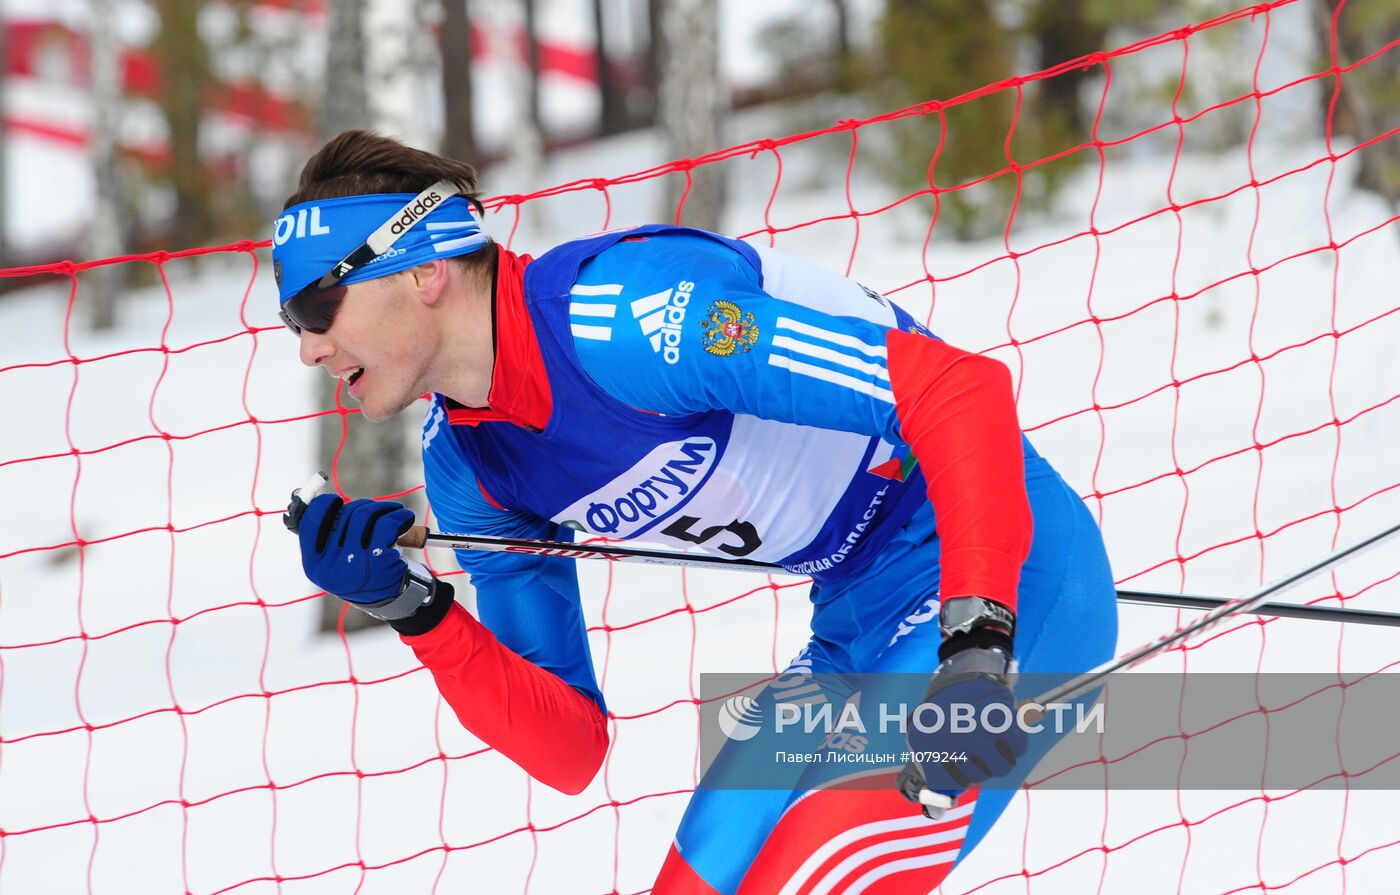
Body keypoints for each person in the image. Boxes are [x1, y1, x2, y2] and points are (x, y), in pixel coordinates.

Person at [276, 129, 1118, 894]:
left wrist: (976, 644)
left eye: (318, 307)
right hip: (856, 627)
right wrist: (417, 610)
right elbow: (571, 748)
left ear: (424, 269)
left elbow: (958, 390)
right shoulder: (470, 465)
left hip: (1010, 577)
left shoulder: (631, 319)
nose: (310, 347)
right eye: (292, 322)